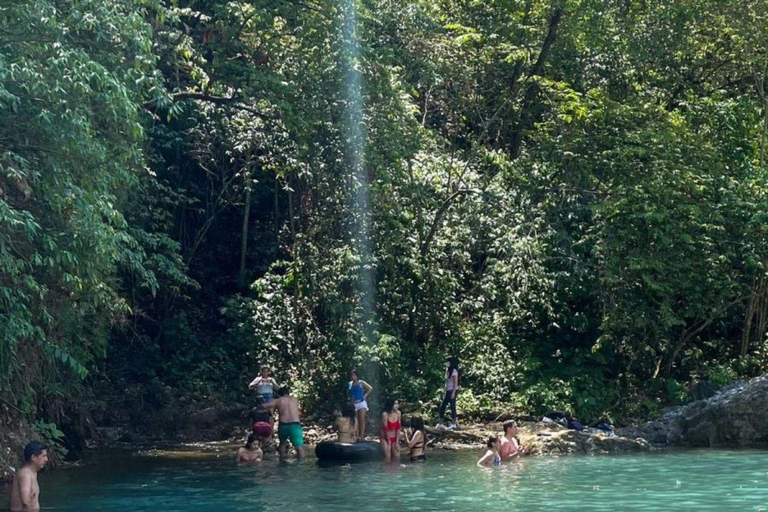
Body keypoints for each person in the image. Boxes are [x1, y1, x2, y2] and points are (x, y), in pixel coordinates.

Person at [264, 386, 305, 460]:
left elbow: (265, 406)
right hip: (295, 425)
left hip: (283, 425)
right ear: (288, 393)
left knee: (282, 444)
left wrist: (258, 406)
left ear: (279, 394)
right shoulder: (295, 400)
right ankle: (301, 463)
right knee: (299, 446)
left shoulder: (278, 400)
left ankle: (282, 462)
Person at [9, 441, 48, 512]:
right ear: (33, 457)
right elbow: (25, 502)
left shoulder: (33, 473)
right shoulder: (25, 475)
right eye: (44, 456)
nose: (46, 459)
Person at [348, 370, 372, 440]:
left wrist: (365, 395)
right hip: (354, 403)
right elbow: (351, 393)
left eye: (354, 375)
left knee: (361, 419)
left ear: (357, 376)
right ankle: (355, 435)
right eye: (351, 375)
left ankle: (361, 436)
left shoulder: (361, 382)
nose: (353, 377)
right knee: (354, 420)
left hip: (361, 402)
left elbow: (370, 388)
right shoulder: (350, 384)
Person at [437, 356, 459, 429]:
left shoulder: (454, 371)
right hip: (447, 391)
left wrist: (453, 393)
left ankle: (453, 423)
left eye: (447, 362)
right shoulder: (448, 370)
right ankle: (440, 422)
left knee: (452, 406)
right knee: (442, 406)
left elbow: (455, 383)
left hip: (452, 391)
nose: (446, 363)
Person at [380, 397, 401, 463]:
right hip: (385, 438)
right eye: (395, 404)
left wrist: (397, 442)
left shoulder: (398, 413)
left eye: (397, 404)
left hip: (394, 437)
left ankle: (395, 472)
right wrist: (388, 441)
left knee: (397, 457)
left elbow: (398, 428)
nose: (397, 405)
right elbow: (385, 428)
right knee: (388, 457)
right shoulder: (385, 414)